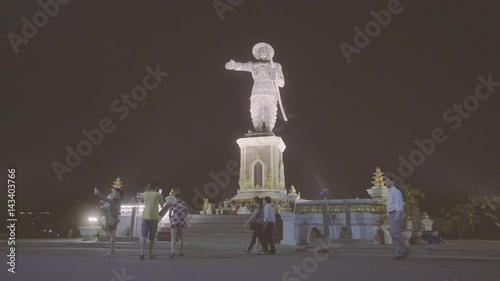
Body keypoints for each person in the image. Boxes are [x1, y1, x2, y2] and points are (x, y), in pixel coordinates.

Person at [225, 42, 285, 133]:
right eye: (259, 51)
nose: (261, 51)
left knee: (271, 109)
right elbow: (242, 66)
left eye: (263, 50)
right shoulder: (253, 64)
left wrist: (276, 77)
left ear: (268, 53)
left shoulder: (276, 65)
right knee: (255, 108)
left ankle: (269, 129)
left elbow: (282, 83)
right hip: (257, 89)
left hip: (270, 89)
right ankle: (257, 128)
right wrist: (234, 65)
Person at [94, 183, 124, 257]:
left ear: (117, 194)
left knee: (111, 235)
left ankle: (111, 252)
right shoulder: (117, 200)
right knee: (111, 235)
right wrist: (100, 208)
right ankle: (112, 252)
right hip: (113, 217)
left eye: (113, 192)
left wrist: (99, 194)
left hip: (113, 218)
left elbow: (108, 200)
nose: (111, 193)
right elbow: (107, 204)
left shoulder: (116, 200)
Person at [385, 176, 410, 260]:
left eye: (387, 181)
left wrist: (398, 214)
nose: (386, 183)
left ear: (392, 181)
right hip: (391, 214)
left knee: (394, 233)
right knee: (394, 234)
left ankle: (403, 249)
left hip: (395, 213)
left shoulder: (396, 191)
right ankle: (399, 252)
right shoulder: (390, 192)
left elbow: (399, 204)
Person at [139, 179, 164, 260]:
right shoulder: (158, 195)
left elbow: (141, 200)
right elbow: (162, 205)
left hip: (145, 217)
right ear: (156, 187)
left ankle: (142, 253)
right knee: (152, 238)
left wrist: (147, 188)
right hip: (154, 218)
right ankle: (149, 254)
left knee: (143, 235)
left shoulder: (144, 194)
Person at [169, 190, 188, 257]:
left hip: (174, 220)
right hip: (181, 221)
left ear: (175, 196)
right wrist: (184, 220)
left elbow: (169, 214)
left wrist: (171, 220)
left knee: (173, 237)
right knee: (181, 238)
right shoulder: (184, 203)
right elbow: (186, 213)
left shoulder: (173, 203)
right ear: (181, 196)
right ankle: (181, 252)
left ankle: (173, 251)